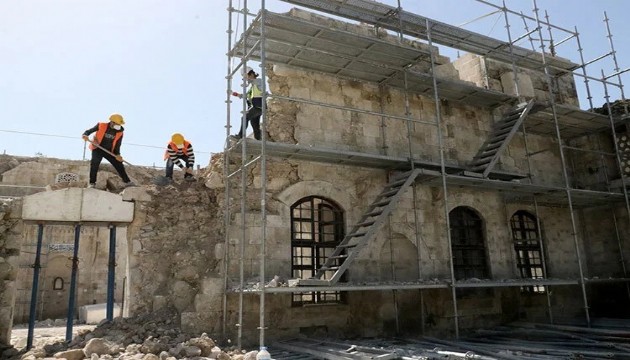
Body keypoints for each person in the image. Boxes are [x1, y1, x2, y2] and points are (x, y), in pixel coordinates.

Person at [82, 113, 135, 188]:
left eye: (119, 124)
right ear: (112, 122)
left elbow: (117, 145)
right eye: (117, 124)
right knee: (94, 163)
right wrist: (85, 135)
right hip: (97, 148)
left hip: (110, 151)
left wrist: (118, 155)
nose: (118, 126)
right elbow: (89, 131)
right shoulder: (101, 125)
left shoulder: (120, 132)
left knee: (119, 164)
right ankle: (92, 183)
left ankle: (127, 182)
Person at [230, 66, 263, 140]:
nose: (246, 79)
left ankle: (240, 135)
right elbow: (244, 96)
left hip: (258, 106)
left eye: (246, 76)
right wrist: (234, 94)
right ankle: (258, 140)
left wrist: (246, 79)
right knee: (254, 124)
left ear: (251, 74)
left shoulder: (259, 81)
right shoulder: (252, 89)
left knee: (244, 117)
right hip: (256, 108)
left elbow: (253, 81)